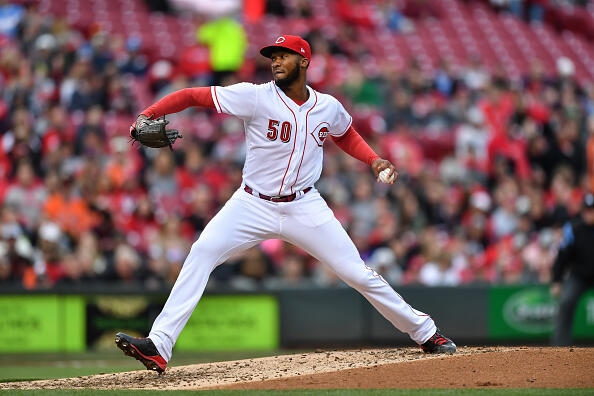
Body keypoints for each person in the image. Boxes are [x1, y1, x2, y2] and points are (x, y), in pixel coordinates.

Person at [115, 35, 456, 373]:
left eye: (284, 55)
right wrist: (147, 113)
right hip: (251, 203)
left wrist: (373, 160)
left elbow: (344, 134)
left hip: (304, 206)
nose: (276, 61)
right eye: (273, 56)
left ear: (304, 61)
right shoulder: (255, 97)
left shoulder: (328, 106)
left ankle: (426, 333)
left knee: (358, 274)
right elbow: (192, 95)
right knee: (201, 252)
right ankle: (159, 345)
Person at [550, 193, 594, 346]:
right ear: (583, 211)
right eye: (588, 210)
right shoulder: (573, 229)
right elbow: (562, 256)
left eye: (592, 210)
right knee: (566, 301)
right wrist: (556, 280)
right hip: (579, 276)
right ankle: (560, 348)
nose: (590, 213)